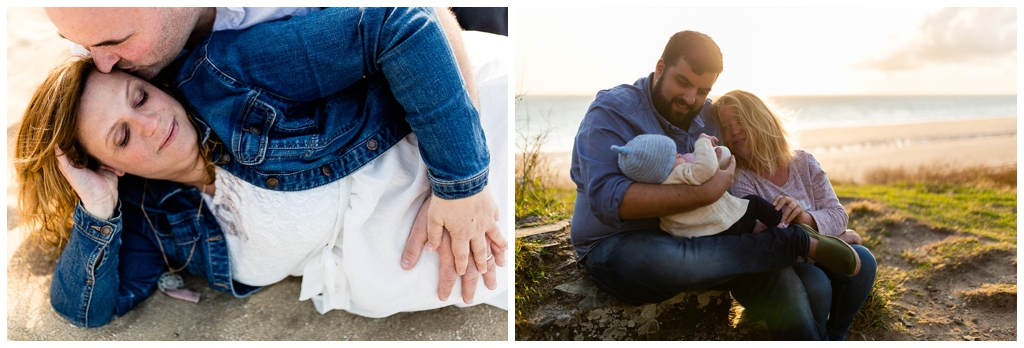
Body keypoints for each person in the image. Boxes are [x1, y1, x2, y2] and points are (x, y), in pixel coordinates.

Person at [17, 7, 507, 328]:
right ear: (109, 167)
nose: (150, 123)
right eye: (122, 136)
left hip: (471, 147)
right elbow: (85, 310)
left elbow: (401, 23)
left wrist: (460, 184)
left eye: (140, 97)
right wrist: (98, 211)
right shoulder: (155, 217)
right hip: (464, 256)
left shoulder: (226, 76)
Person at [569, 30, 858, 340]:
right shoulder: (612, 110)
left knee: (772, 270)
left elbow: (749, 148)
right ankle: (793, 243)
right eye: (682, 82)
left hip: (708, 234)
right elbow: (607, 198)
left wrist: (804, 210)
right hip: (622, 241)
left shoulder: (707, 114)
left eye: (703, 89)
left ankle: (795, 255)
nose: (691, 98)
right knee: (666, 259)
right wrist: (704, 193)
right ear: (660, 68)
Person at [715, 89, 878, 341]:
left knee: (864, 260)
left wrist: (803, 218)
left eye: (740, 120)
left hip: (811, 258)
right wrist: (835, 239)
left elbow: (837, 214)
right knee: (816, 283)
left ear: (761, 119)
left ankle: (835, 337)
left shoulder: (804, 162)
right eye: (725, 126)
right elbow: (763, 236)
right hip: (778, 269)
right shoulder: (739, 177)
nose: (733, 131)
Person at [610, 133, 786, 238]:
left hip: (702, 235)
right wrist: (702, 143)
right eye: (678, 157)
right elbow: (706, 169)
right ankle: (782, 224)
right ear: (664, 167)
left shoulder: (661, 186)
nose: (683, 156)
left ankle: (756, 229)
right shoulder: (680, 174)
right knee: (754, 203)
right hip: (724, 226)